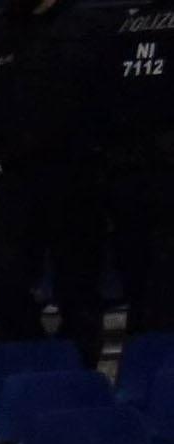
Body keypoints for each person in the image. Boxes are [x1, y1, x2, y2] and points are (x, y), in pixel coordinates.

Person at [0, 0, 111, 363]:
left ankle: (81, 366)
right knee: (1, 274)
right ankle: (30, 353)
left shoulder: (90, 26)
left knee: (79, 284)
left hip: (77, 176)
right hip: (13, 179)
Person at [104, 0, 174, 333]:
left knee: (142, 274)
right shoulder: (116, 25)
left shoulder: (113, 24)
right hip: (137, 169)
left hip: (126, 168)